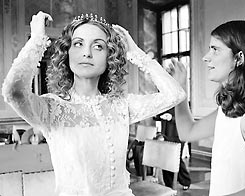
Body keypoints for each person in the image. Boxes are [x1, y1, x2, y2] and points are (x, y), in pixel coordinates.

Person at [1, 11, 186, 196]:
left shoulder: (120, 106)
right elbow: (12, 92)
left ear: (109, 57)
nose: (87, 53)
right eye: (78, 44)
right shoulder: (52, 108)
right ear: (67, 53)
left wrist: (136, 53)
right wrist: (36, 40)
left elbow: (175, 95)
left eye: (98, 46)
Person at [172, 20, 245, 196]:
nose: (206, 57)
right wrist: (179, 89)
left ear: (239, 58)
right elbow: (187, 132)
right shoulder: (230, 107)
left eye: (215, 49)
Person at [154, 107, 191, 190]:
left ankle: (185, 181)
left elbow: (185, 120)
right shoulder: (166, 102)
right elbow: (158, 116)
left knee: (176, 160)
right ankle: (169, 184)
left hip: (178, 135)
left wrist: (171, 118)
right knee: (166, 160)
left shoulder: (181, 103)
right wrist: (158, 115)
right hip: (166, 134)